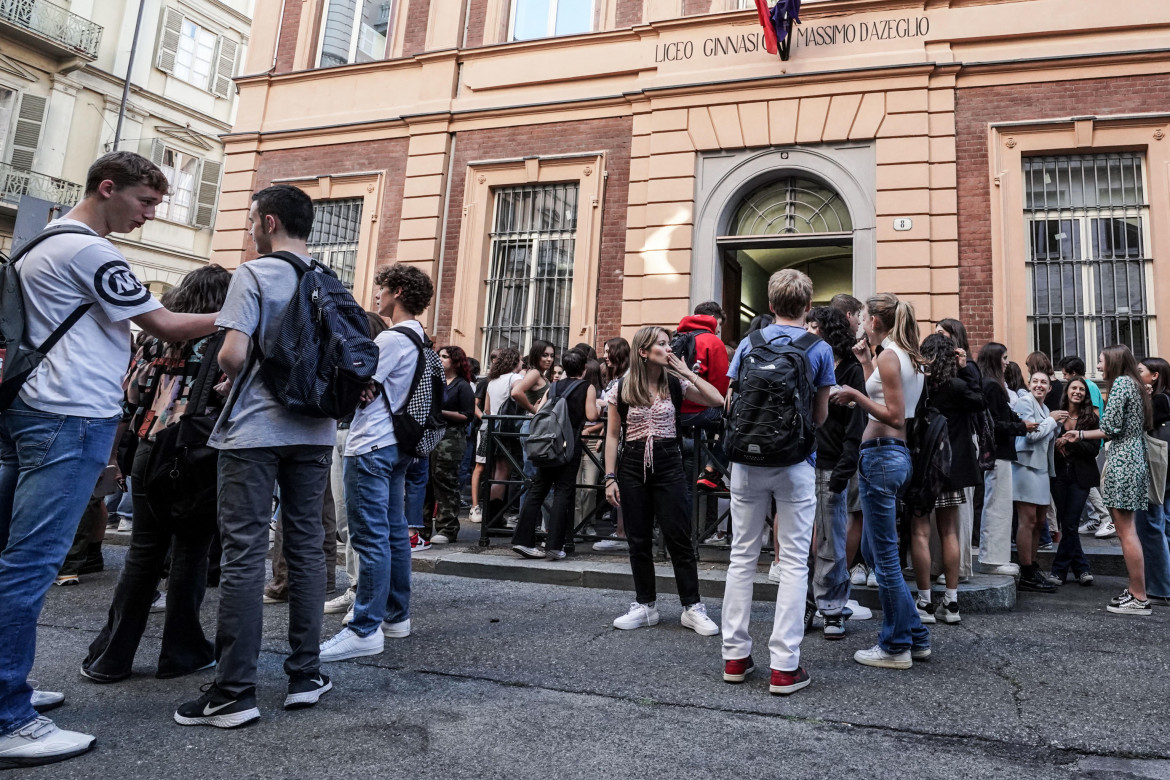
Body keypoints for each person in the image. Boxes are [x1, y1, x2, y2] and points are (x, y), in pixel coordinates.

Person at [0, 152, 218, 764]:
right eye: (145, 202)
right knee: (28, 568)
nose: (150, 216)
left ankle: (8, 689)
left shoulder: (40, 244)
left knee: (12, 561)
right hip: (68, 417)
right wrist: (244, 309)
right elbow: (168, 325)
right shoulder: (92, 252)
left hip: (28, 410)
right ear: (107, 188)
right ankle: (6, 718)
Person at [175, 185, 336, 728]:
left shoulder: (253, 274)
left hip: (254, 432)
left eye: (250, 220)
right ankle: (305, 675)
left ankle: (233, 691)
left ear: (268, 222)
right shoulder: (330, 279)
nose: (248, 229)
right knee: (308, 550)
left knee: (245, 554)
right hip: (314, 434)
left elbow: (233, 352)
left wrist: (230, 379)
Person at [81, 264, 231, 686]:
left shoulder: (153, 338)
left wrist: (115, 458)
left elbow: (127, 402)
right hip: (198, 455)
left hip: (149, 448)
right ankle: (181, 652)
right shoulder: (227, 340)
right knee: (192, 553)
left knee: (143, 552)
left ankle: (111, 655)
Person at [721, 269, 833, 694]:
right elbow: (820, 417)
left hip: (747, 463)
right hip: (796, 464)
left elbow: (733, 402)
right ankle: (785, 666)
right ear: (808, 306)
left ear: (769, 306)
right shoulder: (818, 348)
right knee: (791, 562)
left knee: (741, 556)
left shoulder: (749, 343)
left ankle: (735, 656)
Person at [317, 263, 434, 661]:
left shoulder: (390, 341)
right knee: (394, 533)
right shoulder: (419, 338)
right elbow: (365, 384)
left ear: (397, 291)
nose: (376, 295)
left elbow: (353, 385)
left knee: (369, 537)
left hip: (371, 445)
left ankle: (364, 627)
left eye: (380, 287)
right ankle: (395, 616)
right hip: (398, 445)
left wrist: (359, 382)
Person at [603, 326, 724, 636]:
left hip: (669, 462)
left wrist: (685, 371)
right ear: (643, 351)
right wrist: (610, 477)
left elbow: (717, 399)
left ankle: (692, 607)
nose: (667, 348)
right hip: (632, 464)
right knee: (638, 538)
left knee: (679, 536)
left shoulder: (675, 383)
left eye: (668, 343)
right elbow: (613, 435)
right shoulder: (622, 387)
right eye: (661, 344)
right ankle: (645, 606)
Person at [830, 293, 929, 670]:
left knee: (884, 558)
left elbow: (895, 415)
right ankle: (915, 635)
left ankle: (895, 646)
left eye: (864, 316)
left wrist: (854, 392)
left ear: (875, 321)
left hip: (883, 455)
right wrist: (865, 363)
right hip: (891, 457)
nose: (857, 321)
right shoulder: (900, 356)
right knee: (875, 552)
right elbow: (886, 393)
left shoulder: (891, 357)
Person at [1061, 345, 1152, 615]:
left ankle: (1139, 597)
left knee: (1126, 532)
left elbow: (1110, 428)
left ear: (1112, 361)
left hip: (1123, 459)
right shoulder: (1134, 383)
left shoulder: (1122, 383)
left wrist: (1078, 434)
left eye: (1100, 361)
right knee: (1129, 530)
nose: (1098, 367)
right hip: (1134, 456)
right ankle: (1136, 591)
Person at [908, 333, 983, 624]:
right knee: (950, 532)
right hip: (950, 469)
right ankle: (951, 603)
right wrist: (966, 368)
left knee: (920, 532)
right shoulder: (958, 386)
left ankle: (925, 602)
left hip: (923, 466)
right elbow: (981, 401)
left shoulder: (918, 385)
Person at [805, 305, 865, 640]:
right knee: (806, 543)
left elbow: (856, 428)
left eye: (814, 326)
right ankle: (810, 604)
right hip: (803, 463)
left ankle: (831, 608)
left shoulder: (852, 371)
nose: (808, 331)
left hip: (831, 466)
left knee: (831, 542)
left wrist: (844, 469)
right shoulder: (808, 363)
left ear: (828, 331)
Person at [324, 311, 389, 616]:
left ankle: (362, 590)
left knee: (358, 519)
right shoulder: (347, 358)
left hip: (357, 436)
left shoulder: (375, 362)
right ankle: (356, 586)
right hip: (338, 431)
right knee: (344, 519)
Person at [512, 348, 598, 559]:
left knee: (538, 488)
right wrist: (600, 408)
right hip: (570, 445)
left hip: (548, 443)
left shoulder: (555, 385)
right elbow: (591, 414)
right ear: (584, 369)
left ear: (566, 368)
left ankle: (523, 540)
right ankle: (555, 545)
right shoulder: (587, 387)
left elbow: (541, 409)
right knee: (563, 491)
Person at [976, 342, 1028, 577]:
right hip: (998, 453)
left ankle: (994, 557)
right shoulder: (993, 387)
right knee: (998, 506)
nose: (1007, 362)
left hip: (994, 453)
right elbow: (996, 425)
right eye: (1004, 358)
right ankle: (993, 559)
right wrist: (1022, 426)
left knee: (996, 504)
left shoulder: (987, 385)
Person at [1011, 371, 1064, 593]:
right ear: (1029, 385)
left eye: (1044, 382)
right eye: (1035, 382)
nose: (1039, 385)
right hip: (1025, 466)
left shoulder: (1043, 408)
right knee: (1028, 519)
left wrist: (1058, 428)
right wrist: (1053, 420)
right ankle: (1026, 570)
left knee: (1040, 521)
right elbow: (1030, 435)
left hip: (1041, 468)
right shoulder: (1025, 403)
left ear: (1050, 388)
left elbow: (1047, 437)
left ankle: (1033, 566)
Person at [935, 318, 979, 584]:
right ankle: (944, 565)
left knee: (959, 512)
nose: (938, 337)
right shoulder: (939, 370)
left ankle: (959, 567)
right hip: (943, 444)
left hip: (961, 444)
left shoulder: (968, 368)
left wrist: (963, 370)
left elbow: (978, 400)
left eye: (943, 333)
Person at [1049, 377, 1100, 586]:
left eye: (1081, 389)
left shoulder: (1091, 421)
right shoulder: (1056, 416)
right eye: (1074, 388)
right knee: (1067, 524)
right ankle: (1081, 568)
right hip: (1059, 476)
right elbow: (1045, 444)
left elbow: (1094, 450)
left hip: (1081, 477)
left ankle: (1058, 571)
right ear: (1067, 391)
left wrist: (1071, 441)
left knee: (1070, 522)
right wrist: (1055, 445)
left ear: (1085, 395)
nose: (1077, 391)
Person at [676, 302, 730, 493]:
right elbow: (721, 389)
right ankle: (712, 471)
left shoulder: (675, 337)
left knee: (684, 484)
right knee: (735, 423)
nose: (718, 332)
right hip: (701, 413)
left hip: (675, 416)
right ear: (714, 321)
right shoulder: (713, 342)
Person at [1057, 354, 1110, 538]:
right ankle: (1095, 519)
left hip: (1089, 440)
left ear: (1073, 373)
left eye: (1065, 375)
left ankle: (1105, 518)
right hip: (1083, 439)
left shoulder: (1089, 387)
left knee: (1087, 481)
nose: (1064, 379)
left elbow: (1093, 415)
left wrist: (1079, 435)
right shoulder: (1090, 386)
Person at [429, 345, 475, 544]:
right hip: (431, 435)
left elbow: (467, 416)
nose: (440, 359)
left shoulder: (462, 386)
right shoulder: (434, 381)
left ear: (455, 361)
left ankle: (447, 528)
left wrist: (439, 411)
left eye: (445, 356)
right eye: (439, 355)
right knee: (427, 482)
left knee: (446, 482)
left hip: (451, 438)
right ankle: (422, 529)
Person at [1136, 357, 1170, 603]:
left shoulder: (1159, 401)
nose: (1138, 376)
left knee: (1151, 527)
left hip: (1157, 471)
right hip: (1167, 473)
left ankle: (1159, 588)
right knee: (1165, 526)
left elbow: (1140, 424)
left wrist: (1143, 399)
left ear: (1155, 376)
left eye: (1141, 371)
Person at [480, 348, 524, 529]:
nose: (522, 364)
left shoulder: (493, 381)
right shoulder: (515, 379)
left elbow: (488, 410)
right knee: (502, 475)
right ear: (514, 362)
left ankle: (489, 518)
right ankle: (495, 518)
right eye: (520, 360)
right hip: (507, 430)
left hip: (494, 429)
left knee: (495, 473)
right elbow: (520, 396)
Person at [594, 338, 631, 552]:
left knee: (620, 485)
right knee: (615, 483)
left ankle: (621, 533)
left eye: (609, 352)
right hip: (614, 435)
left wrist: (601, 403)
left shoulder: (625, 377)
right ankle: (620, 530)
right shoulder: (616, 376)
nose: (605, 355)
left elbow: (617, 406)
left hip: (623, 437)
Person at [468, 349, 500, 526]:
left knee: (496, 467)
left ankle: (490, 505)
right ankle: (475, 506)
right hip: (487, 428)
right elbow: (475, 405)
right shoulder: (486, 381)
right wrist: (487, 419)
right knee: (480, 466)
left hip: (496, 427)